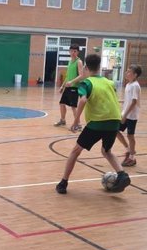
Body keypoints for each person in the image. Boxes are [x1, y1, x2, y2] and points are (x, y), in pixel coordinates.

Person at [55, 54, 131, 194]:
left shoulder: (87, 83)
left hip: (98, 122)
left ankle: (63, 183)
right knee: (106, 150)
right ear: (99, 66)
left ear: (85, 68)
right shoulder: (109, 82)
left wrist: (76, 120)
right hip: (114, 121)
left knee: (75, 151)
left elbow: (83, 100)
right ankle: (122, 174)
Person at [115, 65, 142, 167]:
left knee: (130, 135)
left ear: (135, 75)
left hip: (131, 115)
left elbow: (134, 102)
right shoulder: (128, 85)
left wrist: (125, 115)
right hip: (125, 114)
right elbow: (129, 100)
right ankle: (128, 150)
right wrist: (119, 101)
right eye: (127, 71)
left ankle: (132, 157)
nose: (127, 72)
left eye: (129, 71)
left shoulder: (135, 85)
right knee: (115, 131)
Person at [55, 44, 84, 131]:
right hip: (67, 87)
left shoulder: (79, 62)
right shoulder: (70, 61)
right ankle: (63, 120)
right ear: (69, 51)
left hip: (74, 87)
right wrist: (62, 86)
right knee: (62, 104)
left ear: (77, 52)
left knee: (73, 107)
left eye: (75, 51)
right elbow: (68, 76)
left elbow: (81, 75)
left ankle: (78, 125)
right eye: (71, 51)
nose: (73, 53)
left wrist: (71, 82)